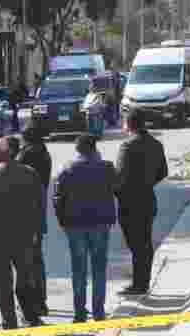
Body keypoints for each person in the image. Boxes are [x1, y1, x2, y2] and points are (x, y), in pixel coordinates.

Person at [0, 137, 45, 329]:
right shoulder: (30, 173)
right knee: (25, 278)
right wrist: (37, 232)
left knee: (3, 281)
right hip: (24, 236)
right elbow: (39, 206)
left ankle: (9, 321)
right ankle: (31, 316)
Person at [53, 134, 118, 322]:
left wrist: (62, 221)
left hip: (75, 225)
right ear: (95, 148)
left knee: (78, 270)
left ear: (77, 149)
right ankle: (98, 311)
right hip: (100, 223)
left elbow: (57, 198)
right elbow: (117, 187)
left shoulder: (67, 169)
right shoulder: (106, 167)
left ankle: (79, 312)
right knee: (99, 268)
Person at [114, 109, 168, 296]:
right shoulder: (156, 144)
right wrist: (147, 183)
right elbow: (163, 172)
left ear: (128, 124)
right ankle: (142, 281)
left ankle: (139, 284)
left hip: (130, 202)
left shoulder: (127, 146)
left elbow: (120, 177)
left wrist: (115, 191)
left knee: (136, 244)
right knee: (144, 242)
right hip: (147, 198)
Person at [14, 123, 53, 317]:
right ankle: (41, 301)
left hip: (25, 213)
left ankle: (32, 303)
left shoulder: (26, 155)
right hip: (39, 210)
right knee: (37, 259)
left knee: (27, 261)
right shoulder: (44, 153)